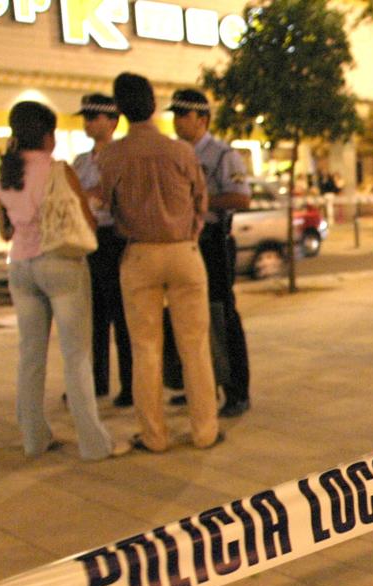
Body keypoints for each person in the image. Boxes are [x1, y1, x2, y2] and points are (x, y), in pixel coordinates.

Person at [0, 101, 127, 459]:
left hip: (20, 267)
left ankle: (34, 438)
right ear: (48, 135)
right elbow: (87, 221)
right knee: (76, 355)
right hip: (61, 265)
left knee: (30, 356)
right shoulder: (59, 171)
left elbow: (5, 231)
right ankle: (94, 443)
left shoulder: (3, 174)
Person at [97, 72, 220, 452]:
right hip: (184, 251)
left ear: (119, 109)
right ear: (152, 103)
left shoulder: (112, 155)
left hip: (139, 253)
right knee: (195, 345)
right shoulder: (181, 152)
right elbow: (201, 202)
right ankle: (204, 431)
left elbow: (108, 205)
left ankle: (154, 435)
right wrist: (189, 232)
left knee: (145, 348)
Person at [168, 89, 252, 418]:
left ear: (202, 119)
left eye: (182, 115)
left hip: (213, 240)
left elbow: (241, 198)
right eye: (174, 115)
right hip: (183, 242)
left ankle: (236, 390)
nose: (176, 122)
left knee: (221, 317)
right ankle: (198, 385)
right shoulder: (174, 153)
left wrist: (198, 202)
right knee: (188, 317)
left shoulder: (221, 155)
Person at [73, 93, 132, 408]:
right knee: (92, 316)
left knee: (121, 314)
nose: (88, 122)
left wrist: (96, 195)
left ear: (113, 121)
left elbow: (125, 196)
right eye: (86, 117)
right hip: (87, 240)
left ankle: (130, 384)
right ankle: (96, 382)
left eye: (94, 117)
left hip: (116, 237)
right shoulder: (81, 162)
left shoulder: (123, 156)